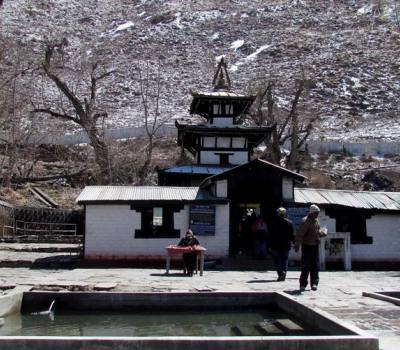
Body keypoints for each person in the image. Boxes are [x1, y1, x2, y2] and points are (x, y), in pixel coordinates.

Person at [294, 204, 327, 292]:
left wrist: (322, 232)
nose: (317, 215)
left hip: (315, 246)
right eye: (316, 213)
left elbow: (318, 231)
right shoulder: (306, 221)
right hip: (307, 246)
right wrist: (297, 244)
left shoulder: (316, 221)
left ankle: (314, 283)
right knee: (305, 266)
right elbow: (300, 234)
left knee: (315, 266)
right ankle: (303, 285)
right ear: (312, 213)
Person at [269, 207, 294, 282]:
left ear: (278, 214)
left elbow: (271, 234)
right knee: (284, 259)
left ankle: (281, 273)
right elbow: (291, 235)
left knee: (276, 259)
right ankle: (283, 274)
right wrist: (293, 242)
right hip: (285, 244)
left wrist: (269, 245)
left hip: (275, 245)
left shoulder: (273, 222)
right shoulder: (289, 223)